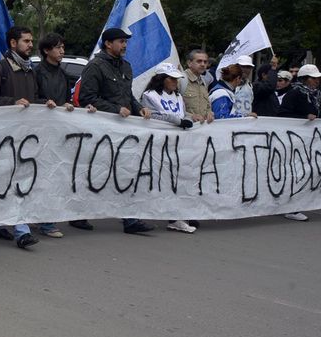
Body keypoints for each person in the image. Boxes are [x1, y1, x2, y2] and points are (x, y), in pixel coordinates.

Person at [77, 27, 156, 235]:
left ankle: (130, 219)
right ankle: (78, 213)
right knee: (96, 172)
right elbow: (86, 98)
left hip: (124, 130)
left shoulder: (126, 66)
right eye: (121, 41)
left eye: (125, 42)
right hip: (101, 130)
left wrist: (139, 108)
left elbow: (127, 95)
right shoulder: (95, 66)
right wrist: (115, 109)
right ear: (108, 44)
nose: (124, 45)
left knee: (126, 171)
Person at [0, 25, 52, 249]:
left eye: (31, 41)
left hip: (25, 136)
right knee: (9, 181)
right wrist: (12, 103)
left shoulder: (31, 71)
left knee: (17, 181)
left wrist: (46, 103)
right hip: (4, 137)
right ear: (13, 43)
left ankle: (9, 227)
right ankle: (20, 230)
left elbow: (34, 99)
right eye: (26, 41)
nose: (31, 45)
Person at [35, 33, 95, 234]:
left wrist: (74, 107)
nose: (62, 51)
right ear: (46, 50)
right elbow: (34, 98)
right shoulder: (37, 72)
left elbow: (67, 99)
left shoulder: (61, 73)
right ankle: (45, 222)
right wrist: (45, 103)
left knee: (58, 174)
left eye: (63, 47)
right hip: (42, 130)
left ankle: (50, 217)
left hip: (59, 131)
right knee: (44, 176)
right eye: (58, 47)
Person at [140, 64, 198, 233]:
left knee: (177, 180)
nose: (175, 82)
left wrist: (189, 119)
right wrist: (178, 121)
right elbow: (153, 116)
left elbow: (183, 114)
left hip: (178, 144)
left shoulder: (178, 96)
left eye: (176, 79)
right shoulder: (149, 95)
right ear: (161, 79)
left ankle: (175, 217)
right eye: (171, 78)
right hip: (157, 144)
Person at [277, 63, 321, 222]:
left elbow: (316, 113)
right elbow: (282, 115)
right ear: (305, 79)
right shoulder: (294, 94)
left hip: (309, 140)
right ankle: (291, 208)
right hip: (294, 140)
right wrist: (303, 118)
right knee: (295, 173)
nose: (317, 81)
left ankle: (294, 205)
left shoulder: (316, 94)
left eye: (318, 78)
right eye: (313, 78)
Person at [182, 49, 214, 123]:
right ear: (189, 63)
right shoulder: (180, 80)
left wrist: (210, 113)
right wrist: (190, 116)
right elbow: (172, 108)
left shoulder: (204, 82)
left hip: (202, 128)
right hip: (185, 127)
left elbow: (207, 106)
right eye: (199, 61)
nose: (203, 64)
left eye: (205, 62)